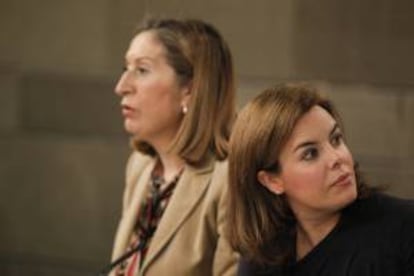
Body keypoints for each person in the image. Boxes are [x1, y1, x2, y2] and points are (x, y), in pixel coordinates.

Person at [228, 83, 414, 276]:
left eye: (336, 139)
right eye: (310, 153)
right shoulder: (262, 259)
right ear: (272, 181)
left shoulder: (404, 230)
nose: (337, 158)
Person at [108, 17, 238, 276]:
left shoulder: (231, 180)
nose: (121, 87)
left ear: (190, 90)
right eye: (125, 68)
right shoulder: (140, 165)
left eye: (142, 70)